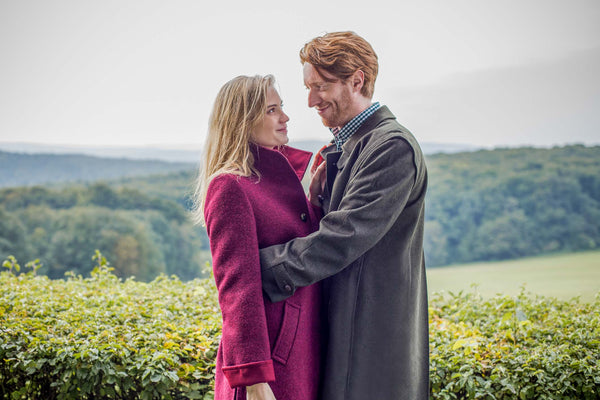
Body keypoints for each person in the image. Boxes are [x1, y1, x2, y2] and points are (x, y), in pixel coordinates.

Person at [259, 31, 430, 400]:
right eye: (308, 87)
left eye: (321, 86)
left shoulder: (391, 147)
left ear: (357, 80)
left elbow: (344, 235)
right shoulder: (348, 144)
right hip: (345, 332)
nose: (310, 100)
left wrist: (259, 268)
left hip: (371, 342)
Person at [192, 75, 323, 400]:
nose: (285, 117)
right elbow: (237, 288)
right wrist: (253, 378)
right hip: (268, 367)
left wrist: (315, 203)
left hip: (300, 353)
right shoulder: (230, 187)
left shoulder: (277, 177)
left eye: (282, 108)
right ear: (243, 120)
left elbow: (305, 248)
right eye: (272, 110)